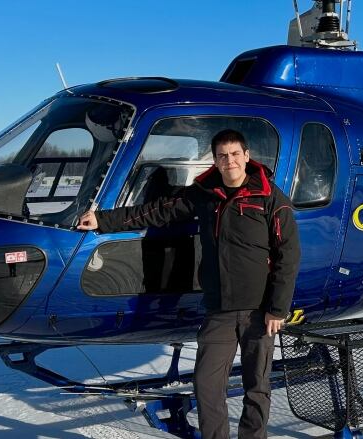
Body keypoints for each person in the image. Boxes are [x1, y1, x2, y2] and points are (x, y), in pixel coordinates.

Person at [77, 129, 300, 439]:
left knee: (257, 387)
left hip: (259, 309)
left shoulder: (272, 198)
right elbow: (159, 211)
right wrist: (104, 220)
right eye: (223, 156)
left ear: (247, 157)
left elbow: (288, 255)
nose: (229, 161)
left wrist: (277, 308)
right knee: (207, 386)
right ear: (216, 161)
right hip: (219, 309)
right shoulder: (204, 194)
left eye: (235, 154)